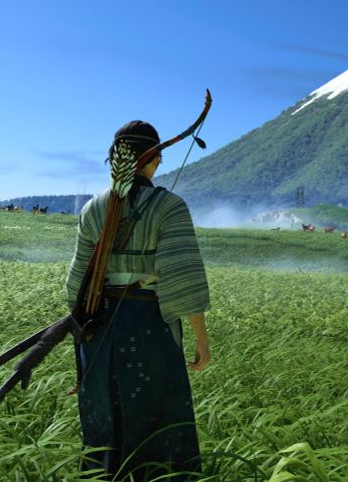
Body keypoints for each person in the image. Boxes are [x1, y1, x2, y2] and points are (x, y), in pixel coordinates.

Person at [65, 120, 211, 481]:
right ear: (153, 159)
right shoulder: (169, 206)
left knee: (103, 413)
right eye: (157, 158)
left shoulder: (93, 208)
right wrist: (202, 340)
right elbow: (183, 276)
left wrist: (82, 327)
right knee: (159, 415)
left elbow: (75, 282)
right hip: (147, 323)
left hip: (96, 323)